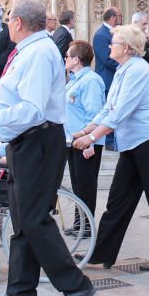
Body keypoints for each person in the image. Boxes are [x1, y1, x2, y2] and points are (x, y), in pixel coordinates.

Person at [0, 0, 95, 296]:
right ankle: (21, 291)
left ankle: (75, 285)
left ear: (19, 22)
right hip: (24, 142)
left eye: (9, 19)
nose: (6, 24)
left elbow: (34, 108)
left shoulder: (38, 53)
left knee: (36, 217)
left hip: (39, 139)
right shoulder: (29, 51)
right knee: (22, 218)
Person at [73, 24, 149, 270]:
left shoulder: (139, 71)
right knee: (118, 199)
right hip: (133, 143)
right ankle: (101, 253)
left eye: (115, 42)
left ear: (127, 48)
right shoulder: (122, 70)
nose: (110, 46)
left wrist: (91, 138)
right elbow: (109, 108)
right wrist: (87, 129)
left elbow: (120, 112)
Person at [63, 40, 106, 226]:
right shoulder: (74, 80)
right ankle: (79, 222)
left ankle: (86, 224)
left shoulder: (90, 81)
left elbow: (94, 114)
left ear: (76, 59)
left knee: (86, 185)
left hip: (85, 141)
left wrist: (89, 141)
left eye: (67, 56)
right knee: (78, 185)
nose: (64, 59)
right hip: (73, 140)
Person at [93, 7, 122, 93]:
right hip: (107, 81)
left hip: (115, 80)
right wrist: (125, 66)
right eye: (120, 16)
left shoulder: (114, 32)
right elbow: (107, 59)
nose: (121, 19)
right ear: (113, 18)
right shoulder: (101, 35)